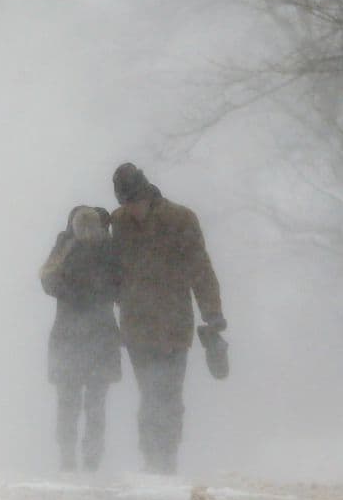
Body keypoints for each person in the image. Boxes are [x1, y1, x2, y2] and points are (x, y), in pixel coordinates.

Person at [110, 162, 225, 474]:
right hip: (136, 325)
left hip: (173, 323)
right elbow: (111, 270)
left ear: (146, 193)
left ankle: (168, 456)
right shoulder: (118, 222)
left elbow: (200, 269)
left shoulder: (180, 219)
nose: (131, 209)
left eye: (134, 201)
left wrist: (213, 314)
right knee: (149, 392)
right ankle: (151, 456)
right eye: (125, 203)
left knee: (170, 394)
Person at [40, 205, 122, 471]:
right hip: (88, 335)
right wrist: (89, 292)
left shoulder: (97, 250)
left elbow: (48, 279)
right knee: (82, 401)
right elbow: (48, 279)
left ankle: (80, 456)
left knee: (78, 401)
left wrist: (75, 291)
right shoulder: (83, 248)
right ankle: (80, 456)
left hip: (78, 335)